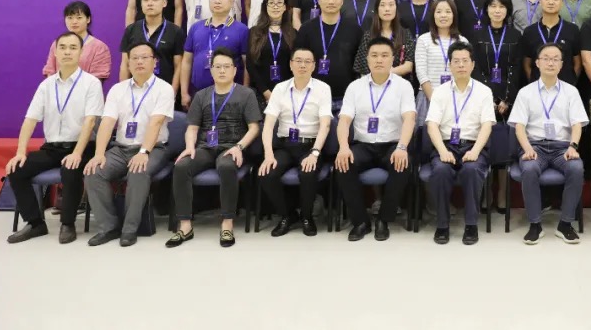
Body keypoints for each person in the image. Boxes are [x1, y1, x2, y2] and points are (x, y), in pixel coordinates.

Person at [6, 32, 104, 244]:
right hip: (52, 148)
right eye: (63, 47)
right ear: (56, 52)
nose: (67, 52)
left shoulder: (91, 83)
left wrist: (77, 153)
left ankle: (68, 223)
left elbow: (90, 122)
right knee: (16, 170)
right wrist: (20, 152)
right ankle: (35, 223)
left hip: (82, 146)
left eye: (73, 47)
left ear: (81, 52)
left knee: (71, 168)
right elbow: (30, 120)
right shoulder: (46, 85)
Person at [167, 48, 261, 248]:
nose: (222, 70)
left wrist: (239, 147)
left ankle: (227, 223)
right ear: (211, 70)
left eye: (226, 66)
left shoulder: (246, 94)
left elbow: (254, 128)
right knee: (181, 166)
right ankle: (185, 225)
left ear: (234, 70)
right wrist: (189, 147)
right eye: (217, 67)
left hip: (232, 147)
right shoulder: (201, 95)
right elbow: (192, 127)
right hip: (204, 147)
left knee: (226, 167)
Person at [84, 43, 174, 247]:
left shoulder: (164, 89)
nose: (139, 61)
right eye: (134, 58)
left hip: (154, 148)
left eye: (144, 57)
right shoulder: (118, 89)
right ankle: (109, 227)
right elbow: (107, 123)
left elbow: (156, 123)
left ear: (154, 62)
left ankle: (129, 229)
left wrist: (143, 152)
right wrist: (99, 154)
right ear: (128, 62)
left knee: (138, 171)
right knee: (93, 172)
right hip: (121, 148)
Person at [336, 37, 417, 241]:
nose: (379, 60)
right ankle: (360, 221)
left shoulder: (403, 86)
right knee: (343, 164)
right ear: (367, 59)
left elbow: (409, 118)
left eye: (384, 55)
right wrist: (344, 147)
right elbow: (344, 120)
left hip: (392, 144)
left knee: (402, 164)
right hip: (363, 145)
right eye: (374, 55)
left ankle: (384, 219)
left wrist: (402, 147)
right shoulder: (355, 87)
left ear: (393, 59)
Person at [508, 42, 589, 244]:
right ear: (537, 63)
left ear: (562, 64)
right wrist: (527, 149)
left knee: (576, 168)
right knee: (529, 168)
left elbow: (577, 124)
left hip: (563, 147)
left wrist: (573, 146)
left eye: (555, 59)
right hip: (535, 146)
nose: (550, 63)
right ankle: (535, 224)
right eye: (546, 58)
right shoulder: (526, 92)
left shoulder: (571, 92)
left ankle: (565, 224)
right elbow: (519, 126)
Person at [258, 48, 334, 237]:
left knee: (308, 173)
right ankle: (287, 215)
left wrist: (315, 153)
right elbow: (268, 125)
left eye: (307, 61)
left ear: (314, 66)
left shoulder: (323, 89)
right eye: (298, 61)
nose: (302, 65)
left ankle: (307, 217)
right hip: (285, 145)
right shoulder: (280, 89)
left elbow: (325, 125)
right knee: (267, 173)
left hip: (311, 145)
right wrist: (268, 154)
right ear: (291, 64)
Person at [425, 42, 496, 245]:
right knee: (441, 170)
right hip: (446, 145)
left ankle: (471, 225)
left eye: (465, 61)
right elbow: (432, 125)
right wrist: (442, 151)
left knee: (471, 170)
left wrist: (475, 151)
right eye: (456, 61)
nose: (461, 65)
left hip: (474, 145)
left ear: (473, 64)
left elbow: (487, 126)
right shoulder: (440, 92)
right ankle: (442, 225)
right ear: (450, 65)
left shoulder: (484, 91)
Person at [293, 0, 361, 112]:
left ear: (342, 0)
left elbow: (360, 65)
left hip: (346, 99)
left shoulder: (354, 29)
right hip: (312, 98)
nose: (331, 1)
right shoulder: (306, 29)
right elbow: (298, 63)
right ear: (318, 0)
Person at [180, 0, 250, 109]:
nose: (217, 1)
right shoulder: (196, 27)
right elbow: (186, 61)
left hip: (231, 95)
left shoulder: (242, 30)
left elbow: (247, 65)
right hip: (198, 93)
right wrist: (184, 92)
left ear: (232, 2)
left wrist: (244, 92)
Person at [118, 0, 185, 98]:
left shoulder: (175, 31)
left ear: (164, 3)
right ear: (141, 3)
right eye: (146, 0)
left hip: (164, 92)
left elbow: (179, 66)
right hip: (136, 93)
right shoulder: (131, 30)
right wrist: (123, 93)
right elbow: (125, 63)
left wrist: (171, 93)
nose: (150, 3)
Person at [414, 0, 469, 124]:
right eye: (438, 12)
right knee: (426, 134)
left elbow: (465, 73)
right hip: (428, 96)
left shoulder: (463, 41)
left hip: (455, 98)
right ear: (433, 15)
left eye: (448, 11)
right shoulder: (424, 40)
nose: (443, 15)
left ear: (454, 15)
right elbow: (421, 72)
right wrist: (434, 99)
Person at [469, 0, 523, 121]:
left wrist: (507, 99)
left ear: (507, 10)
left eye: (502, 6)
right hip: (482, 93)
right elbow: (475, 67)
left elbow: (516, 68)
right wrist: (489, 98)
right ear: (487, 9)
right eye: (493, 6)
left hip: (509, 94)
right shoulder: (477, 35)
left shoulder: (515, 35)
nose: (497, 11)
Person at [521, 0, 583, 84]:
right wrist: (534, 83)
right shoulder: (530, 31)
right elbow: (527, 64)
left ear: (562, 2)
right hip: (537, 88)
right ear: (540, 1)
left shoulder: (572, 30)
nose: (551, 2)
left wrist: (570, 83)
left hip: (565, 88)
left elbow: (577, 63)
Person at [247, 0, 296, 111]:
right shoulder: (254, 32)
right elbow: (250, 65)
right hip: (260, 94)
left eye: (279, 3)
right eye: (271, 3)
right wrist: (266, 92)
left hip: (287, 94)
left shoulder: (293, 33)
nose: (275, 6)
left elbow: (296, 65)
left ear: (285, 7)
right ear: (265, 6)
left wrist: (283, 92)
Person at [353, 0, 416, 81]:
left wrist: (386, 73)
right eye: (382, 5)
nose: (387, 9)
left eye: (391, 5)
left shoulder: (405, 34)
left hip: (399, 84)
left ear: (396, 8)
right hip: (373, 84)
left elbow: (408, 66)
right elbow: (362, 68)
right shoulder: (369, 36)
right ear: (377, 9)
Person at [42, 1, 112, 81]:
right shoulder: (57, 44)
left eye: (79, 18)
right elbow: (50, 71)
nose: (74, 22)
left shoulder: (99, 47)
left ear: (88, 19)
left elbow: (98, 79)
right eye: (70, 18)